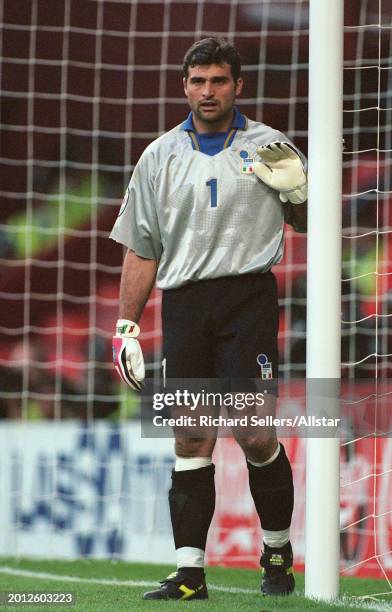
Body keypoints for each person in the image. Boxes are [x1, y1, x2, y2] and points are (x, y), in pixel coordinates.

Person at [110, 37, 307, 600]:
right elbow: (142, 247)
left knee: (252, 430)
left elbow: (310, 222)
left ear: (237, 85)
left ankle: (276, 553)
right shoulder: (159, 156)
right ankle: (190, 572)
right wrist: (126, 327)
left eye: (219, 80)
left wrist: (299, 193)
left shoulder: (270, 145)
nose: (208, 91)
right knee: (190, 434)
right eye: (198, 81)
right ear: (185, 86)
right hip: (185, 306)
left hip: (248, 301)